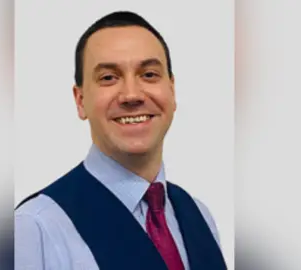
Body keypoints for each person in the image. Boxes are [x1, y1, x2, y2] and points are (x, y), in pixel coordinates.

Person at [15, 10, 227, 270]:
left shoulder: (198, 216)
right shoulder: (36, 229)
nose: (131, 94)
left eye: (149, 74)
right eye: (108, 78)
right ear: (80, 101)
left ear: (171, 91)